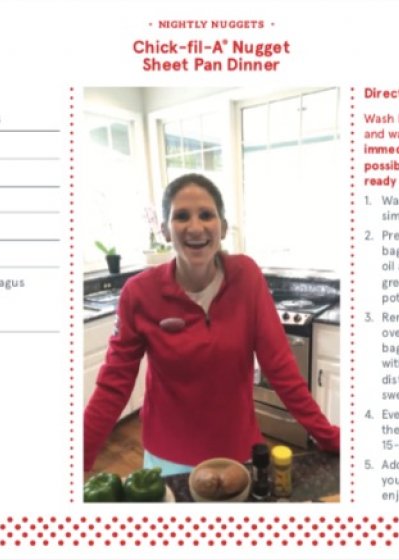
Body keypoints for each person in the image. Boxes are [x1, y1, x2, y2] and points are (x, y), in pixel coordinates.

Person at [83, 173, 339, 475]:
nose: (195, 227)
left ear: (223, 227)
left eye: (206, 214)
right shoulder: (139, 294)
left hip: (237, 450)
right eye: (181, 216)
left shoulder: (247, 277)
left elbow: (280, 368)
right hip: (168, 454)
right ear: (165, 230)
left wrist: (329, 437)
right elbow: (113, 385)